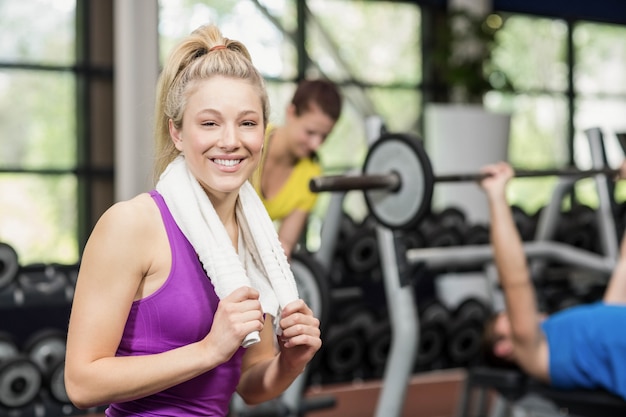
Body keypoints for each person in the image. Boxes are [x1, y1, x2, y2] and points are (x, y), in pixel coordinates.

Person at [64, 24, 321, 417]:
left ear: (263, 135)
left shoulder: (258, 242)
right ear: (178, 133)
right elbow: (82, 383)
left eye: (248, 123)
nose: (231, 140)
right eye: (210, 123)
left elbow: (250, 385)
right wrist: (208, 351)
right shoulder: (131, 225)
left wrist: (289, 363)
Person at [479, 161, 626, 400]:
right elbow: (515, 280)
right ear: (503, 348)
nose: (514, 311)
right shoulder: (534, 354)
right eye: (507, 316)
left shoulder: (599, 319)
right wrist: (496, 196)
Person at [253, 79, 342, 259]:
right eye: (310, 132)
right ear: (291, 113)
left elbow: (284, 243)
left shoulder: (311, 174)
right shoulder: (252, 140)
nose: (316, 144)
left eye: (324, 137)